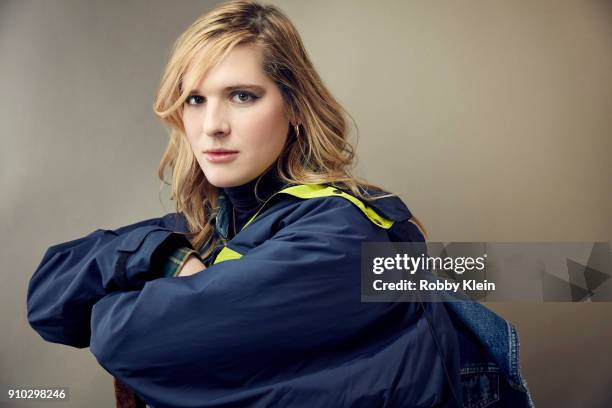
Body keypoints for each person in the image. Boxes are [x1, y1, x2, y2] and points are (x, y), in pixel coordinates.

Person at [26, 1, 534, 407]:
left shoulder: (342, 235)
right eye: (195, 99)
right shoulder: (215, 226)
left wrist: (122, 293)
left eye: (242, 96)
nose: (211, 125)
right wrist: (166, 256)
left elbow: (122, 339)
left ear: (293, 107)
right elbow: (48, 299)